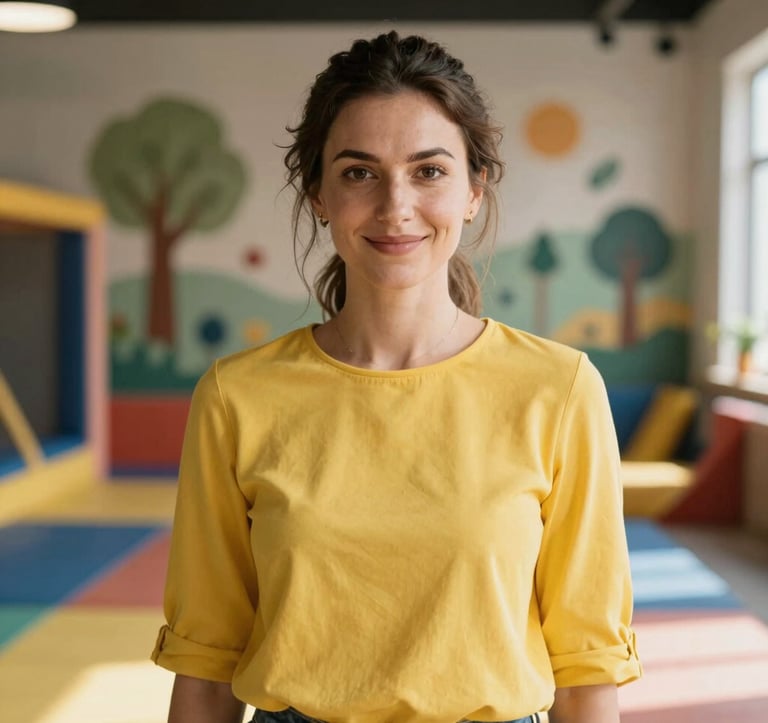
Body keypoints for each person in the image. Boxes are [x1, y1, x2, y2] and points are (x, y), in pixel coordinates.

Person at [152, 30, 642, 723]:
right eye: (358, 172)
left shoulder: (559, 389)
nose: (395, 205)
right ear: (318, 192)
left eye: (429, 170)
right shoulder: (237, 395)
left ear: (474, 190)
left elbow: (588, 668)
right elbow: (204, 667)